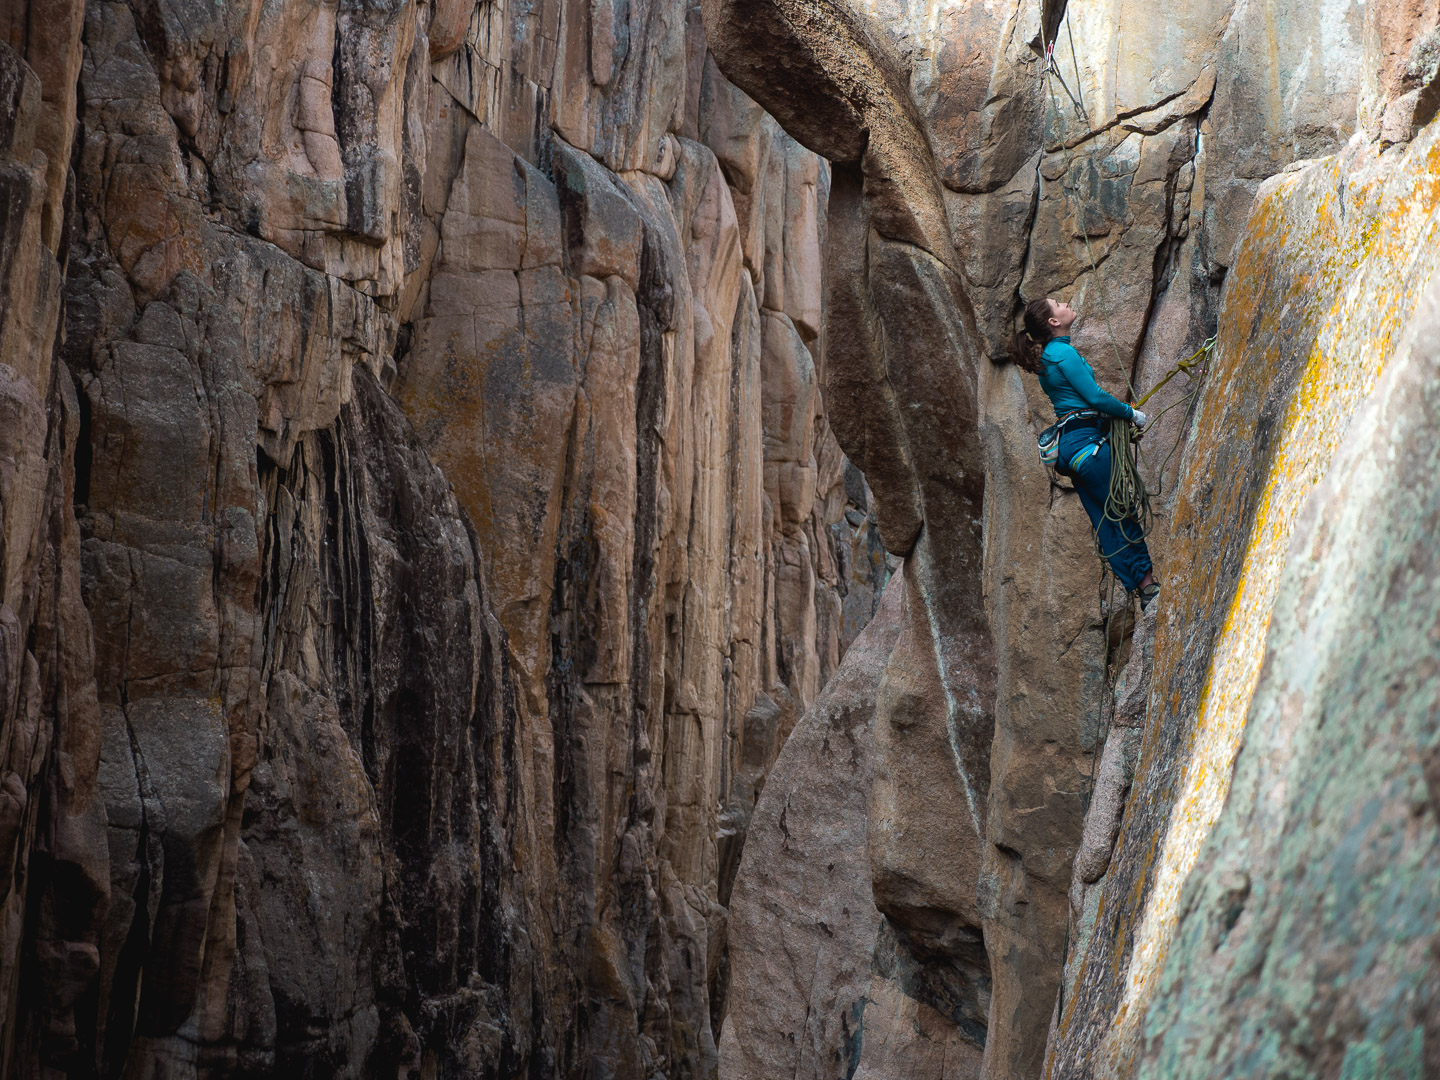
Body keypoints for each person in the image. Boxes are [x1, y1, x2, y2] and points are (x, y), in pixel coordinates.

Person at [1012, 297, 1159, 607]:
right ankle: (1147, 585)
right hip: (1087, 446)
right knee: (1121, 510)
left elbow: (1075, 404)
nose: (1065, 302)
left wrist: (1111, 416)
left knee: (1105, 521)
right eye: (1057, 303)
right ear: (1054, 322)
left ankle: (1138, 588)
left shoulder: (1047, 358)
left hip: (1072, 449)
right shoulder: (1063, 353)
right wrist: (1129, 414)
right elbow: (1094, 397)